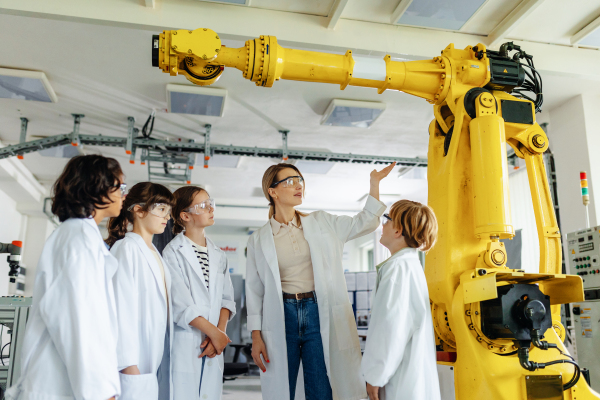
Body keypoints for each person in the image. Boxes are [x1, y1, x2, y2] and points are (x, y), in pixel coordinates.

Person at [246, 162, 395, 400]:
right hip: (282, 315)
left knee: (321, 387)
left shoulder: (323, 222)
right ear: (272, 191)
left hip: (318, 311)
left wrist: (374, 184)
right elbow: (255, 291)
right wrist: (256, 336)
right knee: (284, 388)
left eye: (300, 180)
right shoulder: (259, 239)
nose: (298, 186)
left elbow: (366, 221)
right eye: (290, 181)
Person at [5, 155, 124, 400]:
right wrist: (99, 392)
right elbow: (77, 320)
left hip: (68, 383)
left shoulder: (83, 236)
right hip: (61, 384)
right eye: (120, 186)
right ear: (98, 187)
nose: (124, 194)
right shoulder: (77, 239)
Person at [360, 200, 441, 400]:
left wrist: (374, 376)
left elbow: (391, 328)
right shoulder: (406, 266)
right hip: (406, 375)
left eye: (387, 219)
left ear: (398, 230)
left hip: (399, 379)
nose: (383, 224)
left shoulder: (398, 269)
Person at [162, 186, 236, 400]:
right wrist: (213, 334)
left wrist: (219, 334)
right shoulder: (173, 252)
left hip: (214, 343)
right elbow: (180, 304)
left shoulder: (219, 255)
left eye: (211, 202)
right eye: (203, 205)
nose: (211, 208)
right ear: (185, 216)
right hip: (188, 340)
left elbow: (226, 299)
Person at [106, 182, 176, 400]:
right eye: (161, 209)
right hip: (132, 363)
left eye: (169, 211)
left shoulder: (154, 252)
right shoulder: (126, 249)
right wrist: (128, 364)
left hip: (151, 355)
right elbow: (119, 310)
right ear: (138, 209)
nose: (167, 216)